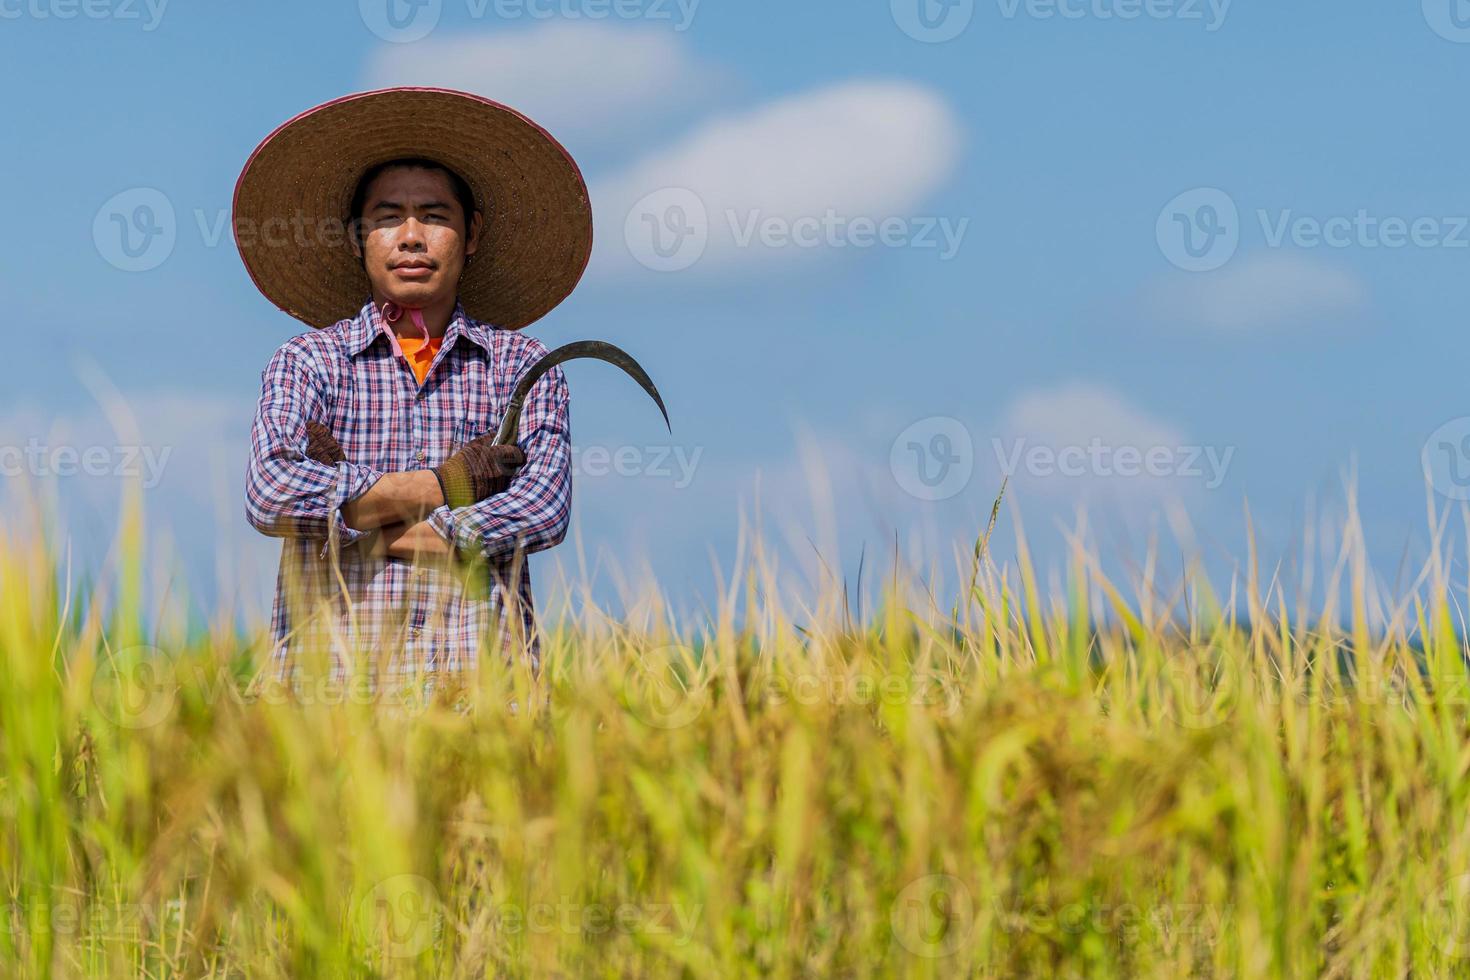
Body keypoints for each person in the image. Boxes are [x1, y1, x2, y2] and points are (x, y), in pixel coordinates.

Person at [236, 87, 593, 685]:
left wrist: (361, 516)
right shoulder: (310, 362)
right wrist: (448, 485)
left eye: (433, 216)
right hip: (329, 699)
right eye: (386, 217)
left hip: (482, 697)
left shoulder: (520, 367)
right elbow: (269, 492)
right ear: (358, 236)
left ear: (470, 233)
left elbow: (544, 508)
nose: (410, 236)